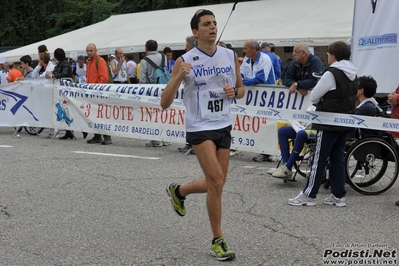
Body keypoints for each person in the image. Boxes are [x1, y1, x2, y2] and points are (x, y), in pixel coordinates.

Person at [161, 9, 244, 261]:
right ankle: (218, 240)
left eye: (215, 23)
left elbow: (241, 90)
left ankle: (180, 191)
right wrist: (178, 76)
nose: (213, 27)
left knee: (215, 184)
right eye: (206, 24)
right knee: (216, 181)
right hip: (199, 127)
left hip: (223, 125)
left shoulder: (230, 55)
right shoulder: (185, 59)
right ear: (196, 32)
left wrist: (234, 92)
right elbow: (165, 102)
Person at [288, 41, 358, 207]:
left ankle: (309, 195)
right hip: (345, 121)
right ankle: (338, 195)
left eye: (328, 54)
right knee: (337, 158)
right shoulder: (353, 72)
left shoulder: (331, 73)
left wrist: (323, 95)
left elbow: (313, 96)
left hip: (328, 122)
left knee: (319, 158)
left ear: (333, 55)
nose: (327, 57)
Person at [270, 75, 378, 179]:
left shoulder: (366, 107)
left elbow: (346, 121)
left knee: (302, 134)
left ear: (360, 90)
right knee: (283, 131)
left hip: (335, 131)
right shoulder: (358, 104)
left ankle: (287, 168)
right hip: (321, 125)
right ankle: (285, 165)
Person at [240, 39, 277, 162]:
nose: (243, 51)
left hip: (268, 95)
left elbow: (260, 78)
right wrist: (241, 80)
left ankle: (273, 151)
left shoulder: (264, 59)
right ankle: (262, 151)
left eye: (245, 48)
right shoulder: (246, 60)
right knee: (259, 124)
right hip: (254, 97)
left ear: (253, 49)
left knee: (270, 123)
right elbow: (240, 75)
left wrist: (243, 82)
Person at [140, 39, 170, 147]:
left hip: (151, 89)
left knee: (152, 114)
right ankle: (166, 139)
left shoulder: (144, 60)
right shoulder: (163, 57)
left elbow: (143, 78)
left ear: (146, 48)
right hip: (164, 87)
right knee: (164, 113)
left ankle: (156, 139)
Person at [85, 43, 113, 145]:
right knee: (94, 115)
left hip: (99, 92)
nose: (89, 52)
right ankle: (97, 136)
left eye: (91, 51)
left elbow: (104, 78)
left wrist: (97, 89)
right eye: (87, 51)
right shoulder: (89, 62)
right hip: (92, 92)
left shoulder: (99, 61)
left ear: (95, 50)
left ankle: (107, 136)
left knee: (102, 115)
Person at [45, 48, 73, 139]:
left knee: (66, 109)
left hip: (65, 90)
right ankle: (68, 131)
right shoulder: (60, 64)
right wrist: (50, 74)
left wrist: (53, 76)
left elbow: (64, 74)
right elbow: (57, 72)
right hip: (60, 90)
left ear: (56, 56)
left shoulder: (65, 64)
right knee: (63, 109)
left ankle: (71, 130)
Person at [178, 35, 198, 154]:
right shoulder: (184, 60)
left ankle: (195, 144)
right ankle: (190, 143)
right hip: (191, 98)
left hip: (199, 97)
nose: (185, 48)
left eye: (187, 46)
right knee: (190, 119)